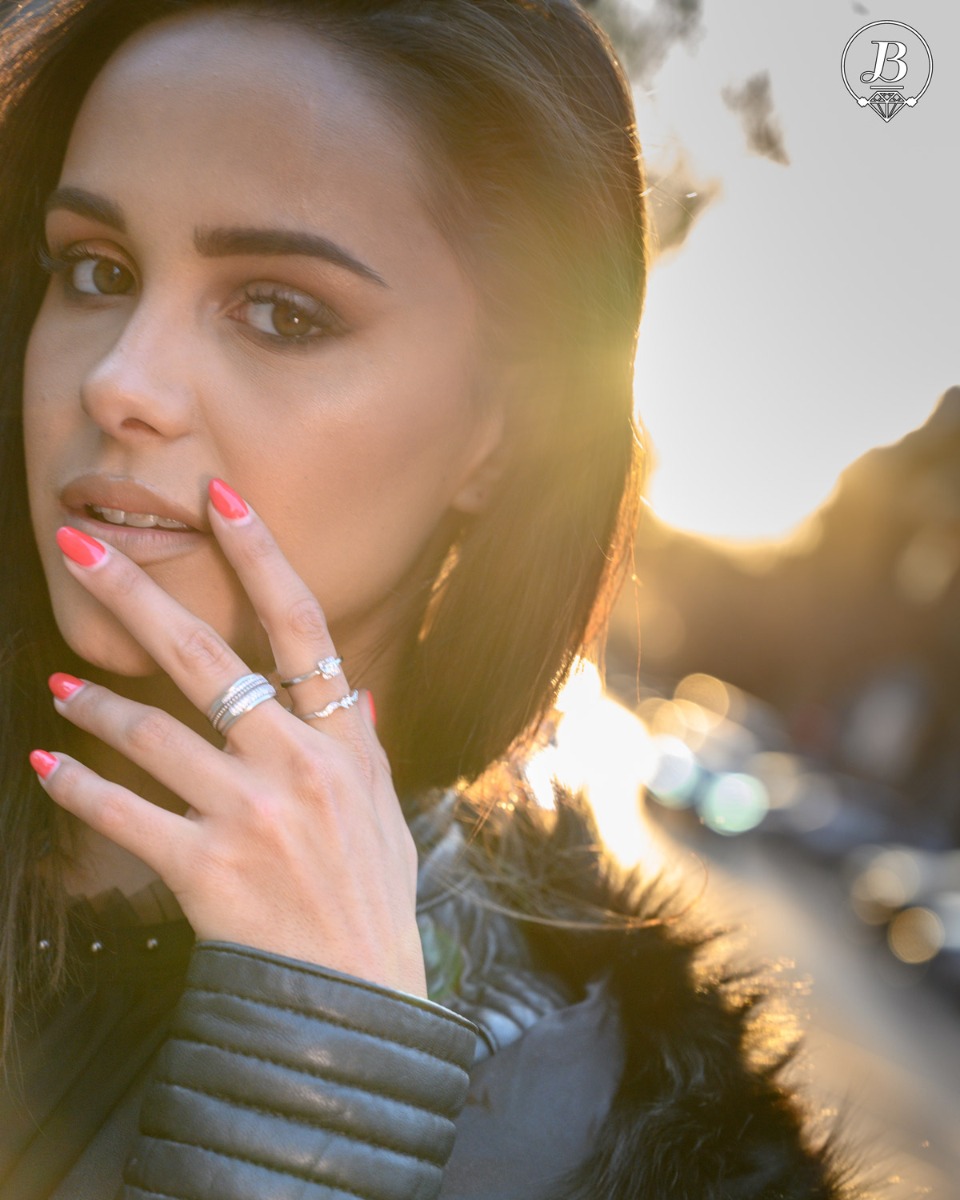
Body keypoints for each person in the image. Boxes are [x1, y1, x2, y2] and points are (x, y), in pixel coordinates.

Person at [0, 1, 854, 1196]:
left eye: (283, 311)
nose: (119, 381)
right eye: (96, 270)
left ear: (500, 437)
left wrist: (315, 1079)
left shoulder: (582, 1122)